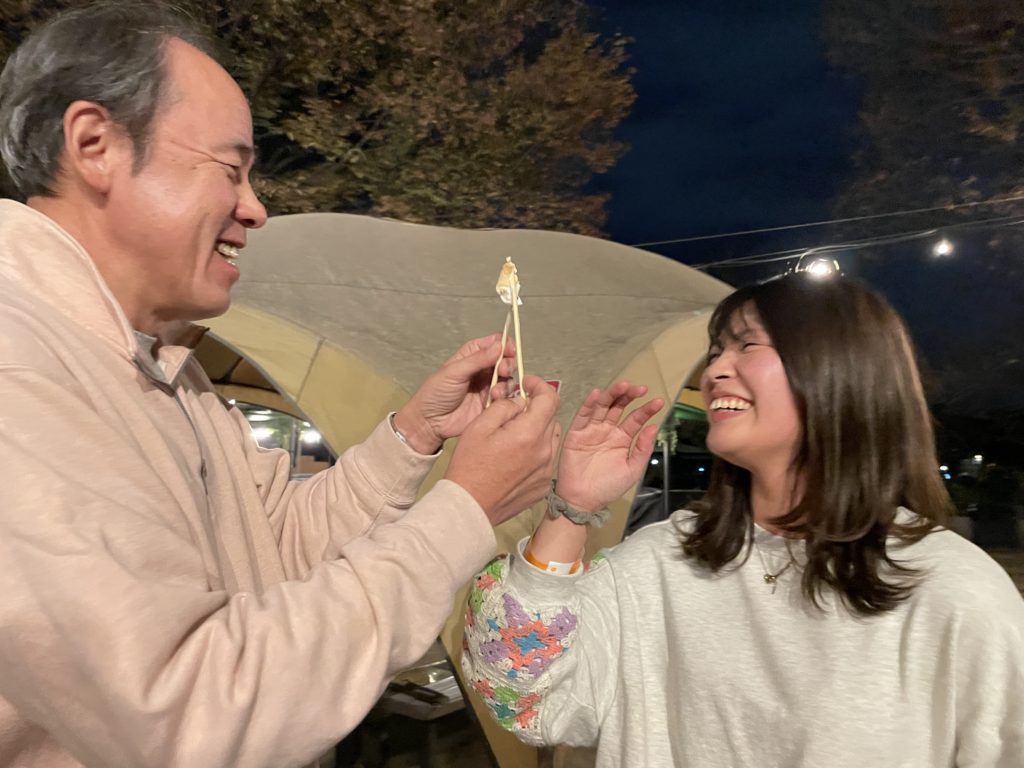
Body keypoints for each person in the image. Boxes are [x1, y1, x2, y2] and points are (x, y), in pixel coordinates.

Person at [0, 3, 561, 767]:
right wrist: (468, 507)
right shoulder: (21, 362)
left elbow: (278, 544)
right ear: (95, 145)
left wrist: (414, 435)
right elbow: (192, 713)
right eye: (230, 169)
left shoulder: (167, 369)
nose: (256, 209)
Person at [463, 274, 1024, 767]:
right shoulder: (658, 562)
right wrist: (571, 506)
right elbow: (520, 698)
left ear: (843, 370)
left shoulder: (951, 588)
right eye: (715, 352)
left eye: (746, 345)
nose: (715, 371)